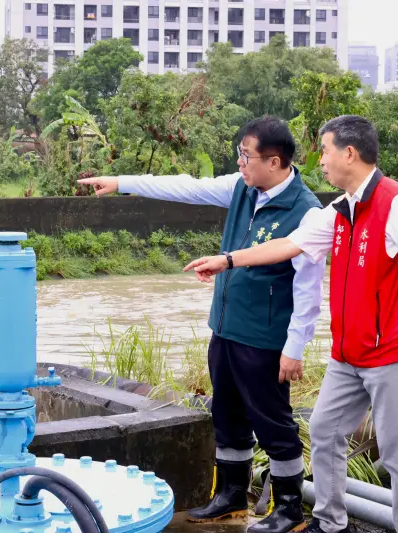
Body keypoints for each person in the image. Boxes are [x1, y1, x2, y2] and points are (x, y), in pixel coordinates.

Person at [184, 114, 398, 533]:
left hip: (389, 353)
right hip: (348, 354)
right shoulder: (340, 210)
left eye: (324, 150)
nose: (320, 160)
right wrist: (228, 260)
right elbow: (289, 245)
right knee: (324, 432)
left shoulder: (397, 204)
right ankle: (329, 523)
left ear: (349, 153)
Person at [78, 116, 324, 533]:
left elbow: (309, 290)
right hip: (225, 328)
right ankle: (230, 494)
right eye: (240, 155)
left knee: (273, 421)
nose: (240, 163)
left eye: (247, 156)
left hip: (265, 337)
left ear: (275, 161)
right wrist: (123, 181)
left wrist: (294, 347)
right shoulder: (241, 188)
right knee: (227, 414)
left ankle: (288, 509)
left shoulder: (307, 212)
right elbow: (186, 186)